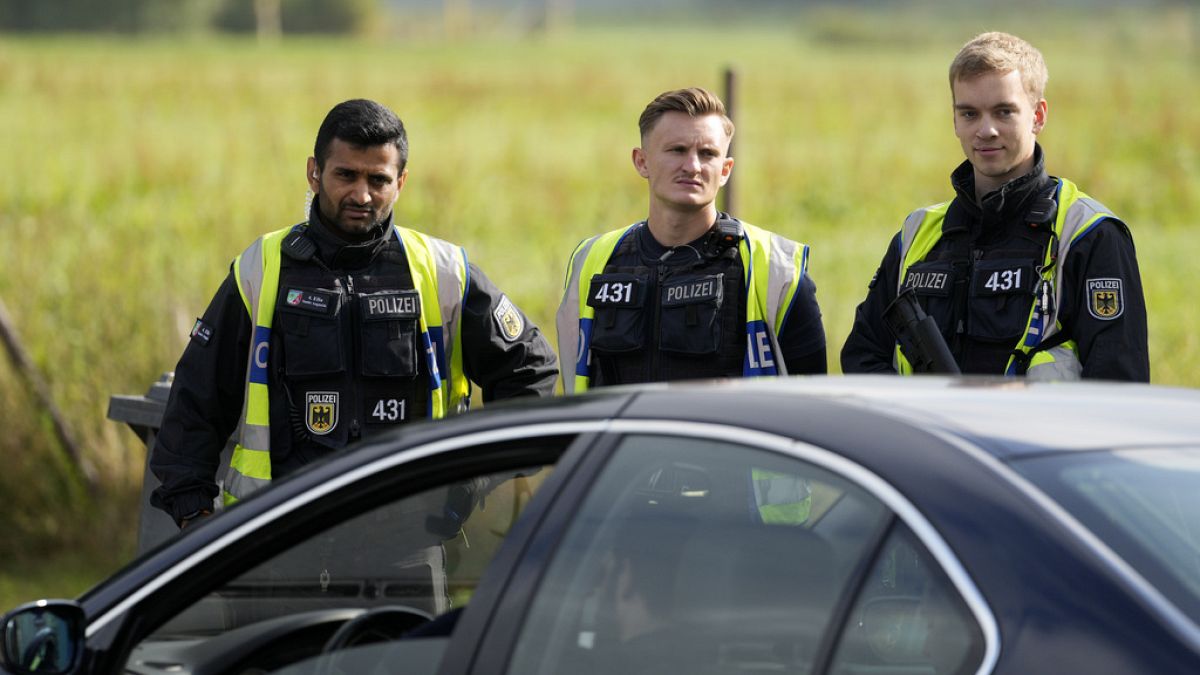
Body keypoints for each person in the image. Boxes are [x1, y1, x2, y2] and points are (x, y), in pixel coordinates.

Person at [150, 99, 558, 529]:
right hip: (275, 540)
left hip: (407, 546)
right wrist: (192, 512)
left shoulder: (443, 272)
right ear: (314, 172)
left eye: (378, 180)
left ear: (401, 182)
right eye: (346, 175)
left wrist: (473, 477)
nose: (362, 195)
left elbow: (531, 374)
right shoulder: (260, 268)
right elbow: (196, 399)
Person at [841, 32, 1148, 380]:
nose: (985, 130)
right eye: (969, 113)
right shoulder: (916, 234)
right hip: (932, 434)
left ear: (1038, 116)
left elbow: (1119, 384)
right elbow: (863, 357)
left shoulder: (1088, 235)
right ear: (955, 120)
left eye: (1004, 112)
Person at [557, 87, 826, 394]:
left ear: (725, 170)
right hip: (623, 442)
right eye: (677, 150)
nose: (693, 166)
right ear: (641, 162)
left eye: (708, 154)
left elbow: (812, 400)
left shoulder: (778, 271)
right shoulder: (593, 260)